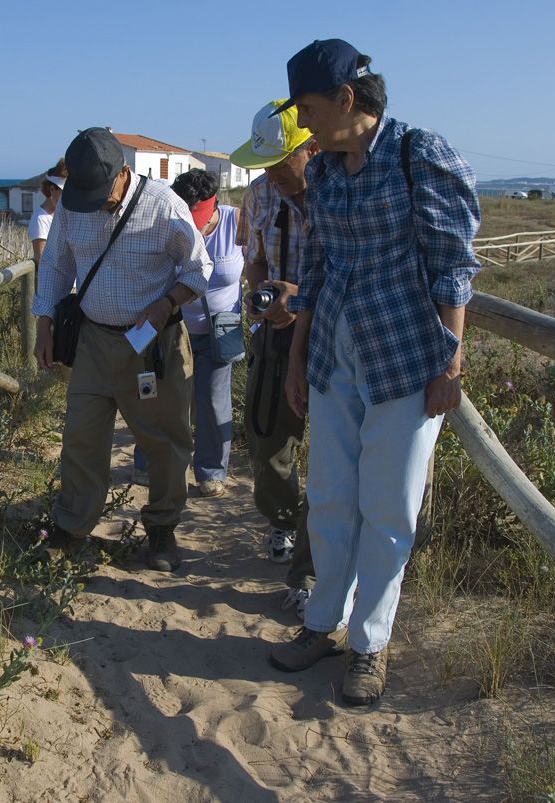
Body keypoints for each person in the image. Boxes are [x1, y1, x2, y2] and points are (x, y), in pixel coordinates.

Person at [268, 39, 481, 707]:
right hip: (336, 355)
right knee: (329, 498)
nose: (302, 124)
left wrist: (451, 356)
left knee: (388, 509)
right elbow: (323, 268)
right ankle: (322, 623)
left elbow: (453, 265)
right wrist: (298, 359)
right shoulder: (326, 173)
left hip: (405, 361)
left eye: (306, 107)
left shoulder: (421, 156)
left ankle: (369, 643)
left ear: (346, 99)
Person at [32, 127, 212, 572]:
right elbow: (57, 263)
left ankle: (162, 532)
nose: (94, 202)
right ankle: (72, 527)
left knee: (164, 441)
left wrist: (165, 303)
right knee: (81, 436)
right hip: (93, 341)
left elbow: (198, 269)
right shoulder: (75, 204)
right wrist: (43, 323)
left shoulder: (165, 207)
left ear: (123, 174)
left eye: (101, 192)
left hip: (152, 346)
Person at [229, 100, 320, 614]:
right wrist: (263, 291)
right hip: (274, 337)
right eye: (266, 164)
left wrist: (300, 297)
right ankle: (284, 519)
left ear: (311, 149)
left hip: (329, 339)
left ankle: (308, 569)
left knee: (329, 463)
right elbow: (255, 257)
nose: (273, 175)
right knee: (265, 444)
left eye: (282, 162)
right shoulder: (260, 193)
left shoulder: (339, 194)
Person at [133, 169, 243, 498]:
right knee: (162, 398)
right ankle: (150, 463)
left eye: (199, 213)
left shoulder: (235, 222)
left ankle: (210, 472)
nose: (193, 221)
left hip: (220, 327)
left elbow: (256, 261)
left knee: (213, 401)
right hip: (174, 326)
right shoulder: (168, 225)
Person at [28, 158, 68, 266]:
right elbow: (41, 259)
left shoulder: (61, 214)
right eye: (64, 192)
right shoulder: (41, 219)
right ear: (52, 189)